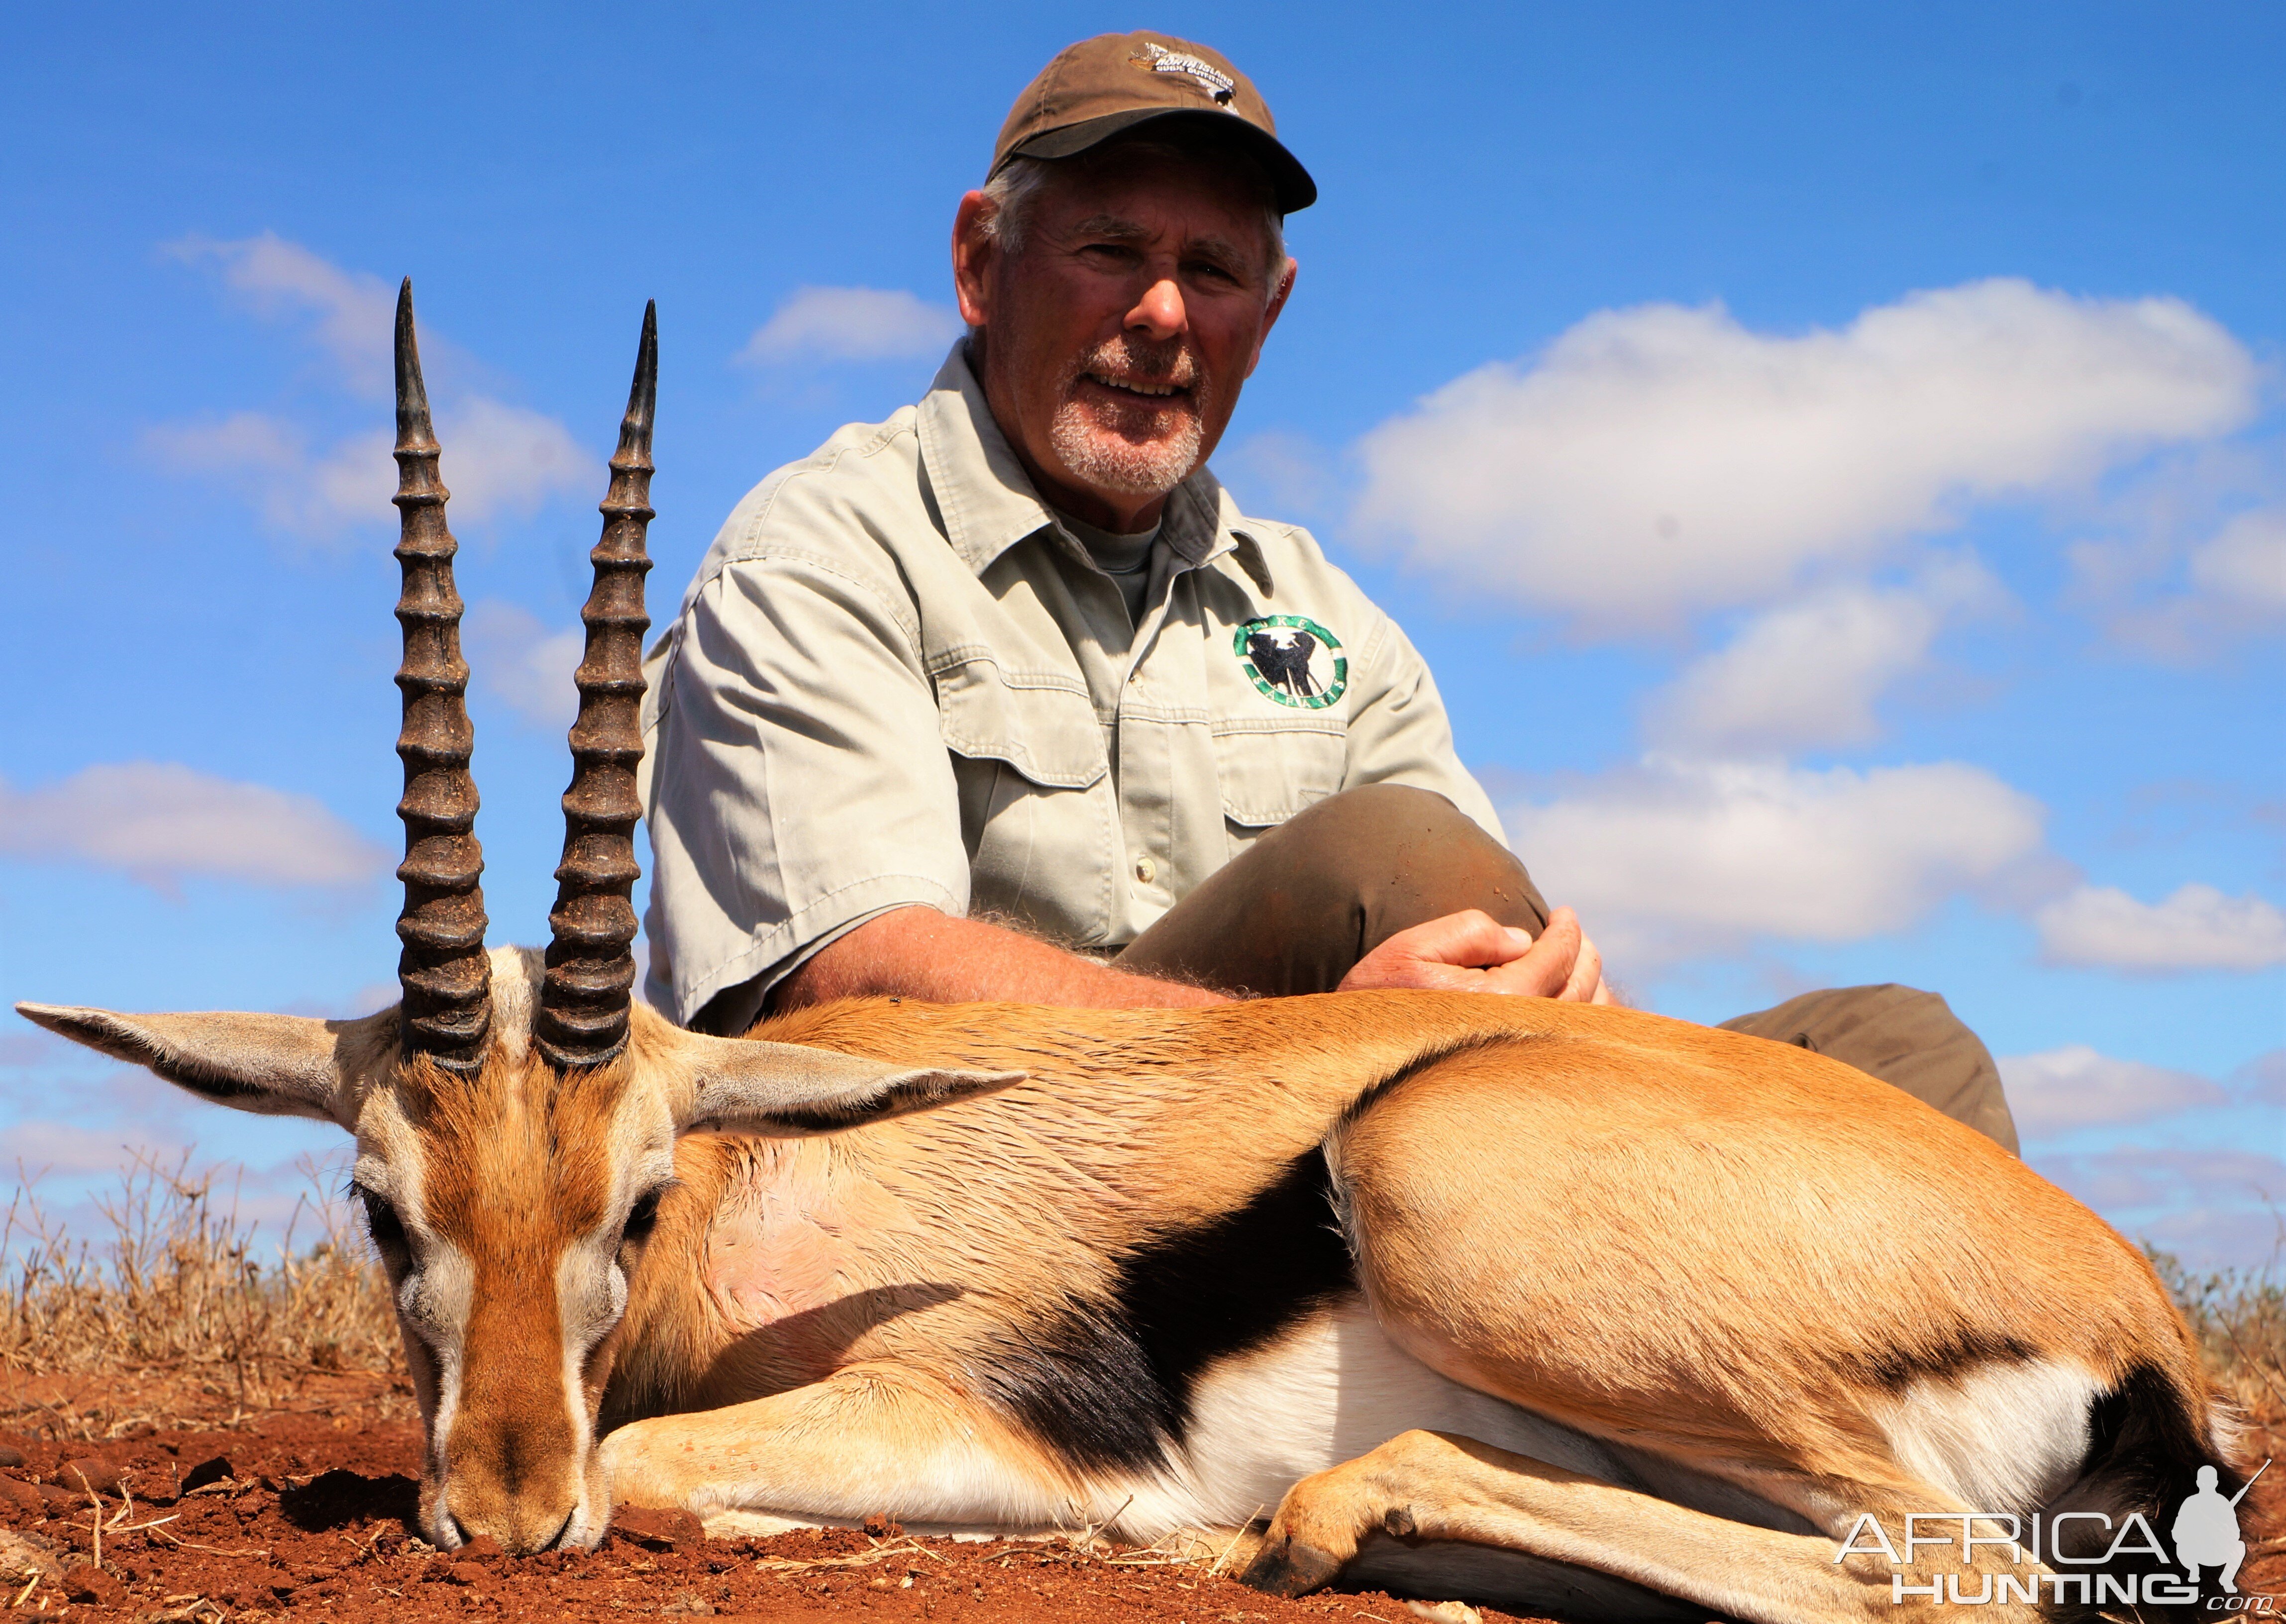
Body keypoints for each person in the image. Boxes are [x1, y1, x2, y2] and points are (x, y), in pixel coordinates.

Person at [639, 30, 2019, 1152]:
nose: (1163, 313)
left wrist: (1553, 994)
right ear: (979, 264)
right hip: (986, 1186)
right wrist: (1302, 1048)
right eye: (1111, 249)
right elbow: (842, 984)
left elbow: (1474, 941)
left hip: (1316, 1163)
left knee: (1898, 1050)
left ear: (1272, 310)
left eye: (1212, 269)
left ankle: (1926, 1425)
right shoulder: (822, 548)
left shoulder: (1323, 619)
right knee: (1389, 859)